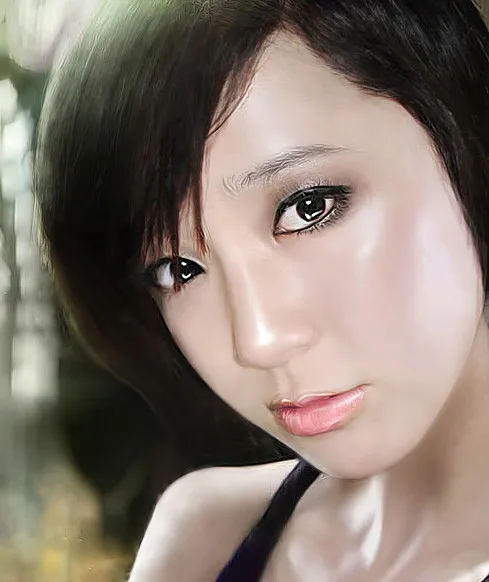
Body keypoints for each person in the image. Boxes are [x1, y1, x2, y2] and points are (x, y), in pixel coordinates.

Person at [34, 0, 489, 579]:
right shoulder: (202, 537)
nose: (259, 340)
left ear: (465, 134)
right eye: (177, 270)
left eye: (309, 207)